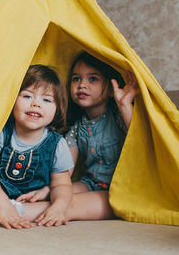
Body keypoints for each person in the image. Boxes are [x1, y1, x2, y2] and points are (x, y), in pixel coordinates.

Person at [18, 51, 140, 222]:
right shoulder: (76, 128)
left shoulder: (118, 117)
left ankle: (9, 212)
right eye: (76, 79)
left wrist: (125, 105)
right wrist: (47, 190)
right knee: (59, 193)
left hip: (121, 190)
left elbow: (141, 142)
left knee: (70, 204)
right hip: (90, 184)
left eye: (93, 79)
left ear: (111, 90)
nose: (82, 85)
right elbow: (64, 173)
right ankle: (3, 205)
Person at [0, 65, 74, 229]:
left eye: (46, 100)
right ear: (12, 100)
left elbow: (61, 185)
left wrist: (58, 208)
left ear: (57, 109)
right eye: (27, 96)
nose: (35, 104)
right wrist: (2, 205)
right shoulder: (2, 133)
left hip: (29, 201)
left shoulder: (57, 144)